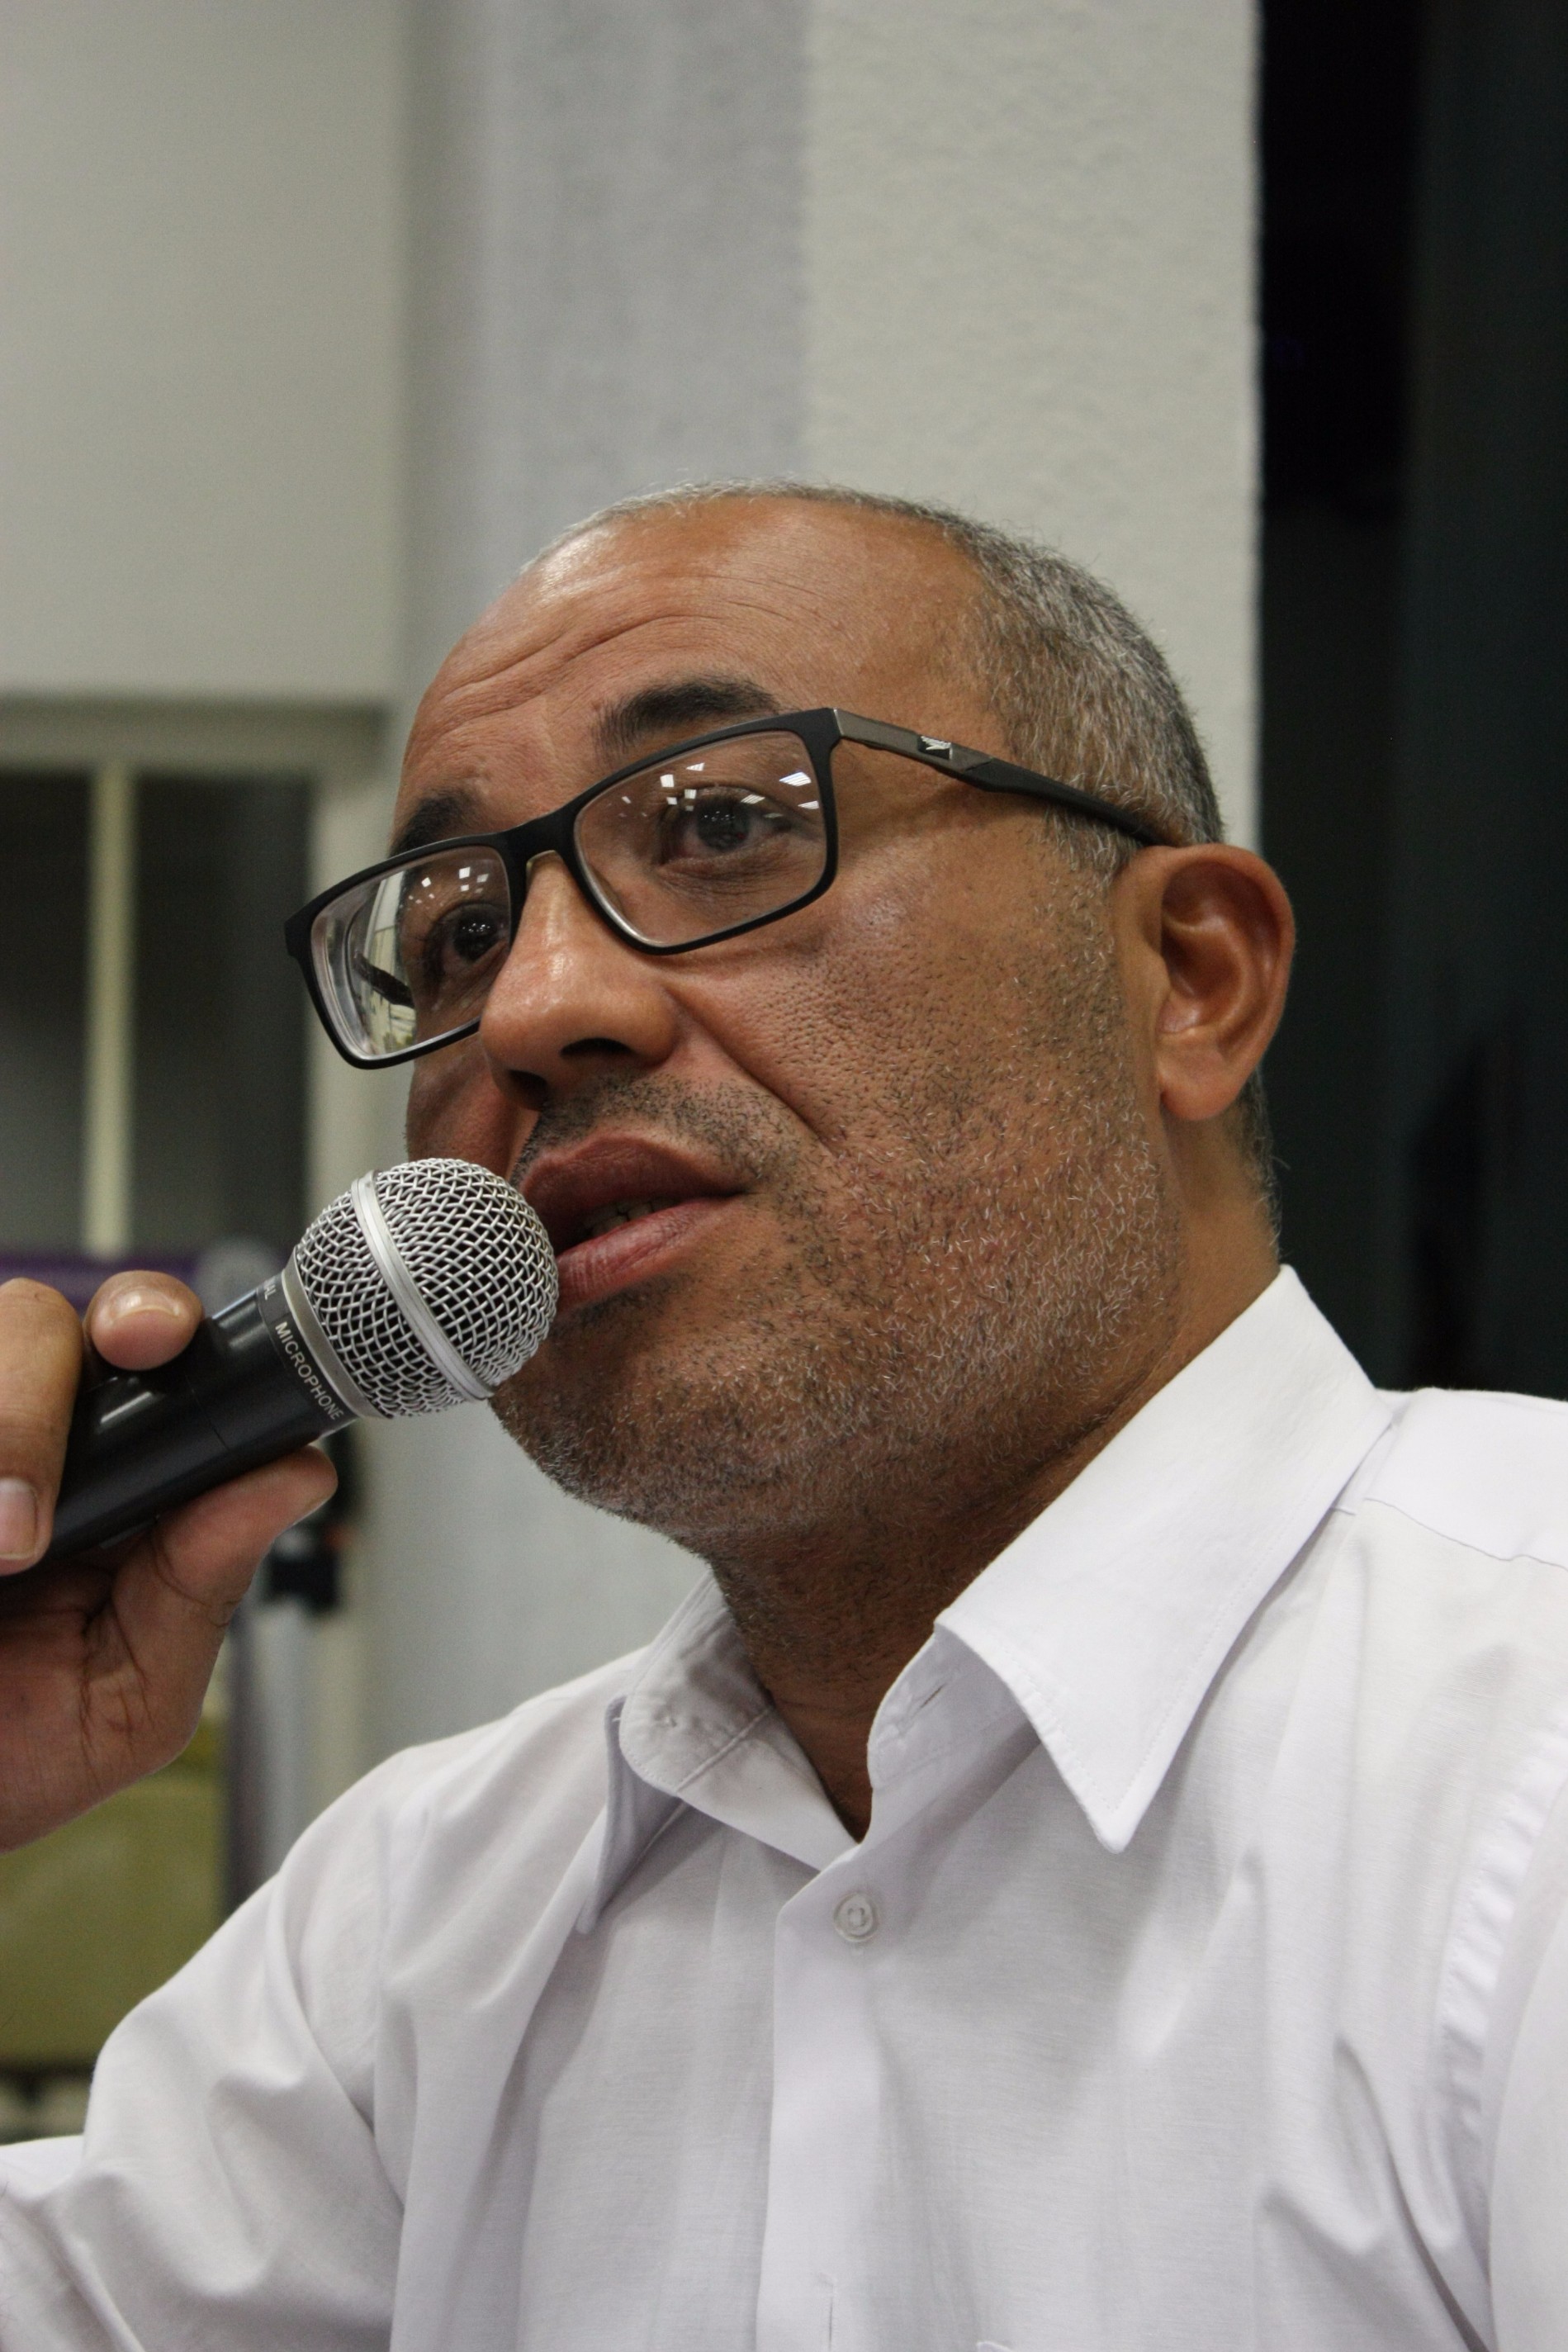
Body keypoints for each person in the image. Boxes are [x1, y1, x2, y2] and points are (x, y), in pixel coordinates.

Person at [0, 483, 1563, 2350]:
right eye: (457, 931)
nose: (532, 1007)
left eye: (724, 826)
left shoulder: (1516, 1761)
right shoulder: (424, 1920)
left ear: (1189, 980)